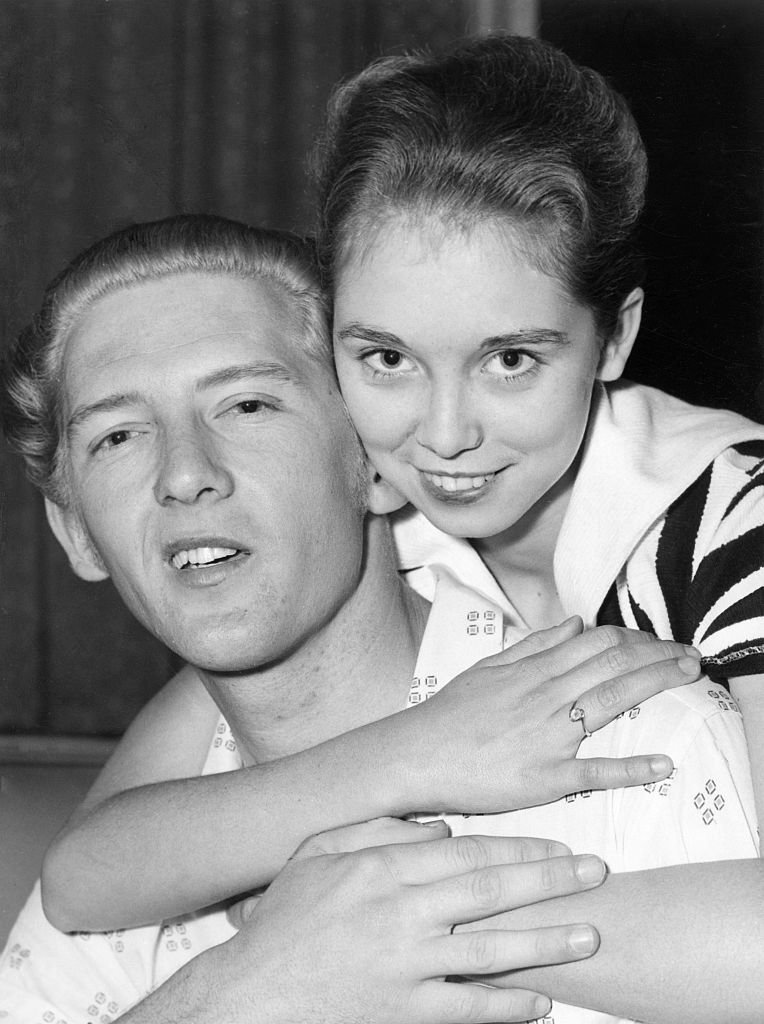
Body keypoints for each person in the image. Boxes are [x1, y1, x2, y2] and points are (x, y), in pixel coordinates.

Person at [32, 34, 764, 1023]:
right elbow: (87, 869)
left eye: (509, 358)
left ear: (616, 337)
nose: (445, 432)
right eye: (385, 358)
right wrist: (421, 750)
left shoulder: (728, 530)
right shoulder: (395, 505)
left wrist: (388, 940)